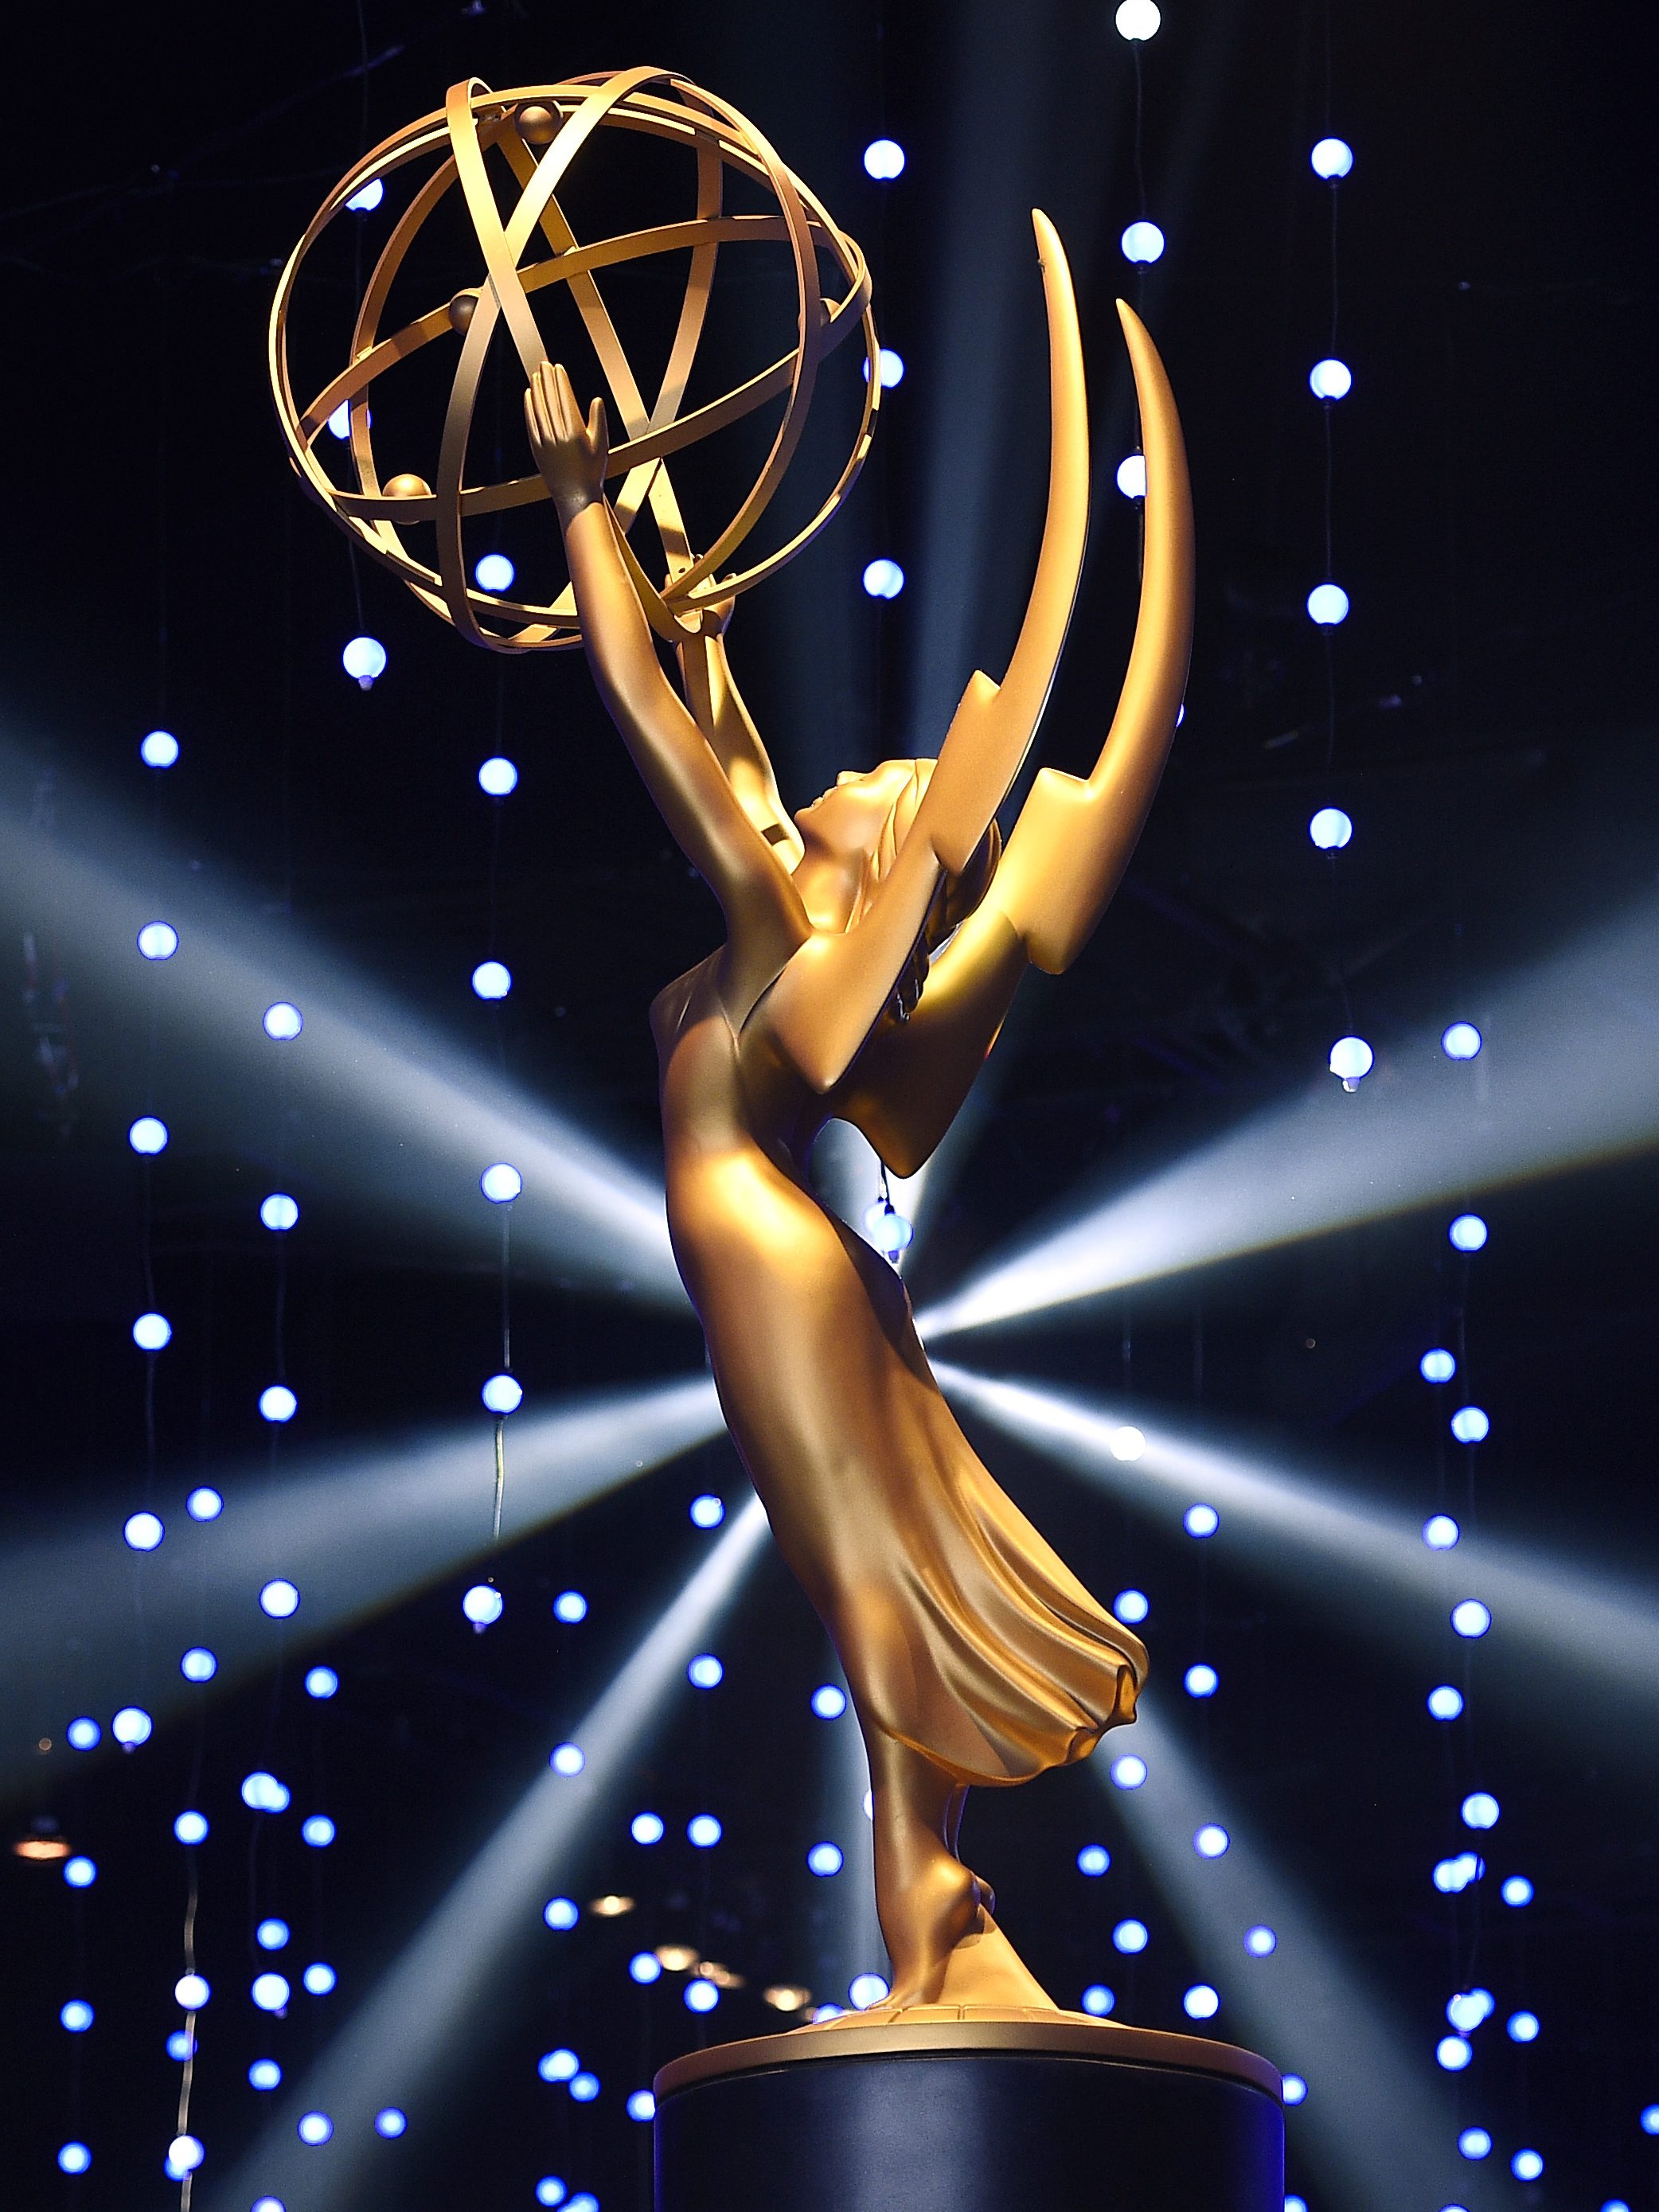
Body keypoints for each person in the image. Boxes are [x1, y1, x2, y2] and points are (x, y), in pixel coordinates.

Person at [523, 218, 1193, 2013]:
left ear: (860, 868)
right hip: (779, 1259)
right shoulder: (776, 920)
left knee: (863, 1575)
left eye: (864, 790)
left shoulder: (775, 934)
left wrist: (583, 500)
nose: (827, 778)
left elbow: (640, 698)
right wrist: (666, 542)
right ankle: (936, 1896)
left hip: (779, 1265)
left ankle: (934, 1903)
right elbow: (709, 700)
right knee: (865, 1570)